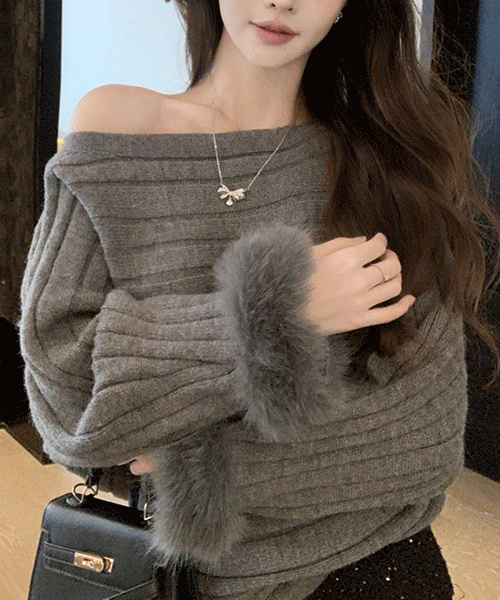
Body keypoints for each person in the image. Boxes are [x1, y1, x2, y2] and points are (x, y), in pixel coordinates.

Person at [19, 0, 500, 598]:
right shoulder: (117, 125)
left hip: (372, 569)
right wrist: (278, 312)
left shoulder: (387, 167)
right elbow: (66, 390)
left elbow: (424, 437)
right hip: (178, 579)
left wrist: (201, 473)